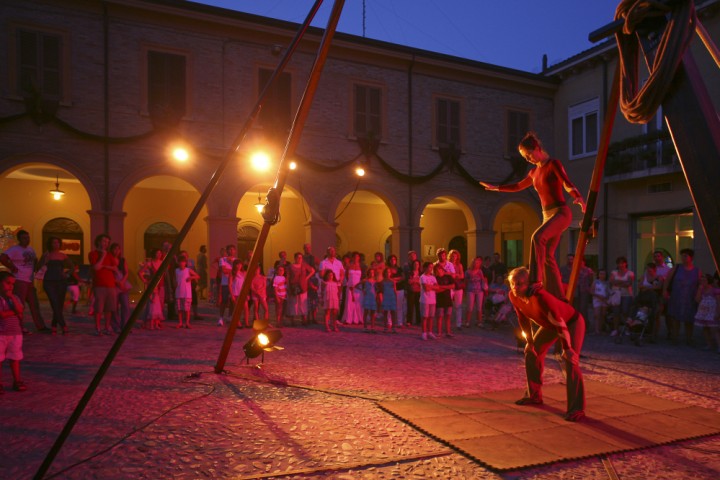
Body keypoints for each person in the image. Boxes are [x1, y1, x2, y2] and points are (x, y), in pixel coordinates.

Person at [480, 132, 586, 299]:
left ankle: (535, 281)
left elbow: (566, 182)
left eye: (528, 155)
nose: (528, 159)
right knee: (548, 258)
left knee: (537, 237)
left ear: (537, 148)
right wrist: (497, 188)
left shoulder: (553, 164)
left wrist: (577, 197)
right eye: (525, 157)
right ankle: (558, 295)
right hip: (547, 216)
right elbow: (517, 186)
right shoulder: (533, 173)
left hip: (560, 212)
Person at [507, 267, 586, 422]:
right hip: (550, 325)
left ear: (529, 284)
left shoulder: (541, 297)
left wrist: (567, 348)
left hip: (571, 323)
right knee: (531, 352)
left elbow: (560, 323)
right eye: (513, 284)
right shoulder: (513, 296)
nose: (515, 288)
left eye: (520, 284)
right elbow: (522, 319)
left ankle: (576, 409)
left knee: (571, 361)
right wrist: (529, 342)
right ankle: (534, 395)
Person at [0, 230, 46, 333]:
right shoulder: (15, 249)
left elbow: (34, 263)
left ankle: (40, 326)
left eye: (28, 237)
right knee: (19, 305)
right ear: (19, 239)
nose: (27, 239)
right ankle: (19, 327)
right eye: (24, 238)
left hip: (29, 281)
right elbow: (2, 257)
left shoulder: (31, 249)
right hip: (19, 279)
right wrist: (11, 266)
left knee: (34, 304)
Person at [664, 248, 702, 346]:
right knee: (675, 318)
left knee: (689, 319)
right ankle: (675, 337)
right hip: (677, 296)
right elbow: (667, 280)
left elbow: (699, 284)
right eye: (682, 255)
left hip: (690, 298)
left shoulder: (697, 271)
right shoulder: (676, 268)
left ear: (691, 258)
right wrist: (665, 292)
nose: (683, 258)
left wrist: (698, 295)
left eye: (686, 256)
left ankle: (689, 338)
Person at [37, 236, 73, 335]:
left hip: (61, 282)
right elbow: (38, 267)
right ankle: (63, 325)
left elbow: (72, 267)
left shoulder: (63, 255)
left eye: (57, 242)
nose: (56, 244)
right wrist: (44, 260)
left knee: (59, 305)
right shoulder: (46, 254)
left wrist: (67, 274)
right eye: (54, 242)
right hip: (49, 282)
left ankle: (53, 325)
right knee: (54, 303)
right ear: (50, 244)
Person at [0, 272, 28, 392]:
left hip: (15, 333)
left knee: (15, 357)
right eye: (7, 283)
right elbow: (2, 315)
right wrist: (16, 312)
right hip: (1, 333)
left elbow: (21, 309)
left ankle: (17, 380)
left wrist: (12, 298)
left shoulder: (14, 297)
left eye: (13, 284)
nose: (10, 286)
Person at [89, 234, 118, 336]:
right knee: (98, 308)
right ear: (98, 242)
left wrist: (104, 266)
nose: (105, 243)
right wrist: (103, 256)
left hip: (110, 285)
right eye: (104, 241)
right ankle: (97, 328)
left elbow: (115, 268)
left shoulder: (110, 255)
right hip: (99, 284)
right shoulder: (93, 254)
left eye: (107, 242)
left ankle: (107, 327)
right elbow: (96, 267)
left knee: (109, 308)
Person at [139, 248, 165, 330]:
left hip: (161, 285)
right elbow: (139, 272)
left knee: (159, 305)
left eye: (160, 253)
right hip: (152, 285)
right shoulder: (150, 263)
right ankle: (148, 322)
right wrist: (145, 281)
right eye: (158, 253)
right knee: (151, 305)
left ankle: (157, 322)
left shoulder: (162, 263)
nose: (159, 255)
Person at [286, 252, 315, 326]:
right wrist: (288, 287)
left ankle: (303, 319)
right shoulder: (290, 266)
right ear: (295, 258)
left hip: (303, 287)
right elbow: (288, 277)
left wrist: (306, 278)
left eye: (301, 257)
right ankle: (292, 321)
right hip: (294, 287)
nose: (299, 259)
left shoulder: (304, 265)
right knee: (293, 303)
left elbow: (312, 271)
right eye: (298, 257)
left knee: (302, 303)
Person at [609, 256, 635, 337]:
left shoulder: (630, 273)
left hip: (626, 295)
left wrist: (618, 282)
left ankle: (626, 329)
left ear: (625, 263)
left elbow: (629, 283)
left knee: (625, 312)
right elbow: (612, 282)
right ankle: (616, 329)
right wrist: (623, 282)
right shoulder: (614, 272)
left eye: (622, 263)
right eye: (619, 263)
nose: (621, 265)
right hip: (616, 294)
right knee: (616, 312)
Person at [694, 274, 720, 352]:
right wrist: (699, 290)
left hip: (712, 312)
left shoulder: (715, 291)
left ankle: (719, 345)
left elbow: (719, 302)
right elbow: (697, 300)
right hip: (703, 312)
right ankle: (709, 345)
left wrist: (718, 312)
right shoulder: (701, 290)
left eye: (704, 280)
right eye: (701, 280)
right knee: (705, 328)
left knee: (714, 329)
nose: (702, 282)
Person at [109, 243, 131, 333]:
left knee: (126, 305)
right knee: (114, 307)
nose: (117, 251)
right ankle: (116, 326)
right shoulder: (109, 260)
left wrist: (122, 282)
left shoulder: (122, 260)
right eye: (115, 249)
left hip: (123, 283)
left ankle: (125, 325)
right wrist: (117, 282)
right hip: (113, 284)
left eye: (118, 249)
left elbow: (126, 272)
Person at [175, 255, 200, 329]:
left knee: (187, 309)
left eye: (183, 262)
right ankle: (180, 322)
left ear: (185, 263)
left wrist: (191, 277)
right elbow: (175, 280)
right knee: (179, 308)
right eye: (180, 262)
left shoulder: (188, 270)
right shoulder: (176, 270)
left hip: (187, 293)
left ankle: (187, 322)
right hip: (179, 291)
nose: (182, 264)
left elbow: (197, 276)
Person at [465, 257, 488, 328]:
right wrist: (470, 280)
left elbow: (483, 280)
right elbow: (465, 281)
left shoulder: (480, 271)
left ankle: (479, 322)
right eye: (475, 263)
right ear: (473, 263)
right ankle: (467, 321)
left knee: (479, 307)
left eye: (478, 263)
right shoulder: (468, 271)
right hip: (470, 290)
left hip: (479, 291)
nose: (476, 264)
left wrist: (484, 280)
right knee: (470, 306)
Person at [341, 252, 363, 325]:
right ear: (353, 258)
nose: (356, 258)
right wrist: (350, 284)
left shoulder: (361, 266)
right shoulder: (349, 266)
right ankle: (349, 318)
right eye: (355, 257)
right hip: (350, 284)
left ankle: (358, 318)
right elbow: (347, 276)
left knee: (358, 302)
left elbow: (362, 277)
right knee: (349, 302)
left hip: (358, 286)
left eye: (357, 257)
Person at [217, 244, 236, 326]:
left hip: (234, 284)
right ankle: (221, 318)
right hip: (225, 283)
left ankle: (230, 316)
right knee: (224, 301)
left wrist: (232, 264)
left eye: (233, 249)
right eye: (229, 249)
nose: (231, 251)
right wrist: (233, 270)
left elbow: (238, 271)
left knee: (232, 301)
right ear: (227, 251)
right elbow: (223, 270)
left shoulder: (236, 260)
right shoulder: (222, 259)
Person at [420, 261, 439, 340]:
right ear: (425, 268)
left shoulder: (433, 277)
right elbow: (425, 288)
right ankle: (424, 332)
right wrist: (432, 287)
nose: (431, 269)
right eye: (429, 267)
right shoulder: (423, 277)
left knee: (431, 317)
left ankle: (430, 332)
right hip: (425, 299)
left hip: (432, 300)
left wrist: (430, 286)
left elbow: (437, 287)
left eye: (432, 267)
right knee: (425, 317)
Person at [434, 264, 454, 337]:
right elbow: (436, 290)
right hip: (439, 300)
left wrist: (442, 287)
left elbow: (452, 286)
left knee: (448, 316)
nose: (438, 271)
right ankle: (439, 332)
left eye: (439, 269)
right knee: (439, 317)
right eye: (437, 270)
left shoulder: (448, 277)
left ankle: (448, 332)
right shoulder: (435, 278)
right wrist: (447, 287)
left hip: (448, 299)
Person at [229, 259, 250, 328]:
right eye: (237, 264)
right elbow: (230, 284)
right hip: (235, 293)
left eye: (240, 264)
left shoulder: (244, 273)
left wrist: (247, 294)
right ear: (234, 265)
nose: (239, 266)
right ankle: (238, 323)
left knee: (246, 308)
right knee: (237, 309)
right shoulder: (232, 273)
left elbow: (246, 284)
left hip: (242, 292)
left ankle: (246, 323)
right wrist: (232, 295)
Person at [448, 249, 465, 330]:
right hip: (449, 286)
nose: (453, 257)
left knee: (458, 306)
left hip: (457, 287)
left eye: (455, 256)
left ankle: (458, 324)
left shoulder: (459, 265)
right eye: (452, 256)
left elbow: (462, 276)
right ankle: (448, 323)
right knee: (448, 305)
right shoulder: (447, 264)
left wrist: (455, 275)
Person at [591, 269, 609, 335]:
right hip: (597, 299)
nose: (602, 275)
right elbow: (591, 291)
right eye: (601, 274)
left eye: (603, 274)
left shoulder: (607, 283)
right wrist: (598, 296)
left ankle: (601, 328)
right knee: (597, 315)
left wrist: (606, 297)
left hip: (604, 300)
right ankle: (596, 329)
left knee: (603, 314)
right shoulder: (595, 282)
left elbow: (608, 291)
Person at [380, 267, 398, 333]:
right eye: (387, 272)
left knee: (393, 312)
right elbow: (381, 291)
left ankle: (394, 327)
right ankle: (385, 327)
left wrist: (396, 298)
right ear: (384, 273)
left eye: (389, 272)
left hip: (392, 297)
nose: (388, 273)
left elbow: (395, 290)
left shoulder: (393, 281)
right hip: (386, 297)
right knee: (385, 313)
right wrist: (381, 299)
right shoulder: (382, 282)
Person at [405, 259, 422, 327]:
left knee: (418, 307)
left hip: (419, 292)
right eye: (415, 264)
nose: (416, 265)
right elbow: (409, 282)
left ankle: (418, 321)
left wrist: (414, 280)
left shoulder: (421, 273)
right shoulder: (410, 273)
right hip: (411, 291)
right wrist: (416, 280)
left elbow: (421, 282)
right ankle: (409, 321)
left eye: (417, 264)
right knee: (410, 306)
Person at [361, 268, 379, 333]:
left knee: (372, 313)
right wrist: (363, 290)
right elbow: (358, 285)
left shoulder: (375, 281)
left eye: (373, 272)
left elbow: (377, 289)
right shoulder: (365, 281)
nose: (372, 274)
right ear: (368, 273)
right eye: (370, 272)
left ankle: (372, 327)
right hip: (367, 297)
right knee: (366, 312)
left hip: (373, 297)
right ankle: (365, 327)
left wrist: (376, 295)